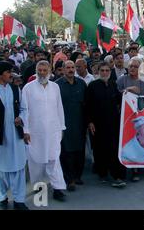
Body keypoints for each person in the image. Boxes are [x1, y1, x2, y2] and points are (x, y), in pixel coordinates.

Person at [0, 61, 29, 210]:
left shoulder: (16, 89)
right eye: (8, 72)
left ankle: (19, 199)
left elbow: (24, 108)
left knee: (19, 166)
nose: (11, 75)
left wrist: (21, 118)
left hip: (16, 135)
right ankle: (2, 198)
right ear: (0, 74)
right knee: (1, 168)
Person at [21, 60, 67, 201]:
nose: (41, 73)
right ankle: (39, 188)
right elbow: (24, 111)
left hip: (53, 130)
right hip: (35, 132)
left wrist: (62, 127)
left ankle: (58, 188)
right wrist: (25, 130)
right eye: (39, 70)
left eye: (44, 70)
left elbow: (59, 108)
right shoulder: (28, 88)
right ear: (36, 71)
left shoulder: (55, 87)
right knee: (36, 161)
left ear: (49, 71)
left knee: (54, 160)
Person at [86, 62, 127, 188]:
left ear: (110, 71)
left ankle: (117, 176)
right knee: (100, 149)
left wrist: (128, 92)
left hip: (113, 123)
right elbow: (87, 105)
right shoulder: (92, 86)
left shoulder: (113, 84)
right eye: (102, 70)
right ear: (98, 72)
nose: (104, 73)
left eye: (107, 70)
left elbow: (121, 100)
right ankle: (102, 173)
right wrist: (90, 122)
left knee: (114, 149)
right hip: (98, 124)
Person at [56, 61, 87, 192]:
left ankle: (77, 176)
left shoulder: (81, 84)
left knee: (79, 150)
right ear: (63, 70)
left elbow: (86, 103)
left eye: (72, 67)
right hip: (63, 123)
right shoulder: (57, 85)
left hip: (80, 122)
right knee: (66, 152)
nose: (70, 70)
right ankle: (69, 180)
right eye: (67, 68)